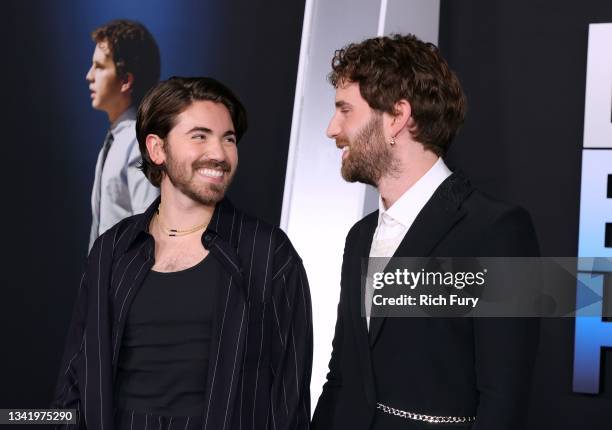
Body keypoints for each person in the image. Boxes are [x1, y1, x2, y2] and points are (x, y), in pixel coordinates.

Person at [52, 77, 312, 430]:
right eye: (200, 136)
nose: (219, 154)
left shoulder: (268, 253)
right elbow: (74, 378)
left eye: (229, 139)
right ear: (157, 149)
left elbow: (289, 398)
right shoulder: (112, 250)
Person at [312, 34, 539, 430]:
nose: (332, 129)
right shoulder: (359, 237)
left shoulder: (497, 231)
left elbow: (504, 402)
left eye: (345, 110)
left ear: (398, 117)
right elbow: (343, 376)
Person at [86, 19, 161, 250]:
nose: (89, 76)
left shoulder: (139, 144)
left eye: (99, 67)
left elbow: (150, 238)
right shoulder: (116, 141)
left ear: (126, 80)